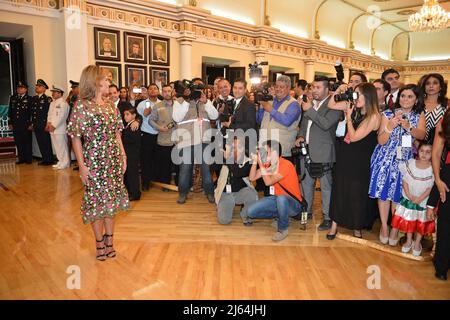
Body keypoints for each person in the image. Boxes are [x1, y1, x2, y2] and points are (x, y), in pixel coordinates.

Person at [67, 65, 129, 261]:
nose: (109, 82)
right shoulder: (81, 105)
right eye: (106, 79)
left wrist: (123, 156)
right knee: (96, 204)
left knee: (111, 202)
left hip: (113, 158)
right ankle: (99, 243)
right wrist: (82, 165)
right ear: (95, 81)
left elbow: (117, 133)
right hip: (93, 160)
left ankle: (110, 241)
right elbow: (76, 137)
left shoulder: (111, 105)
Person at [369, 84, 426, 244]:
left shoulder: (418, 114)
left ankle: (395, 227)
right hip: (385, 158)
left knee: (398, 195)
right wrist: (389, 126)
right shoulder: (387, 113)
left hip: (405, 161)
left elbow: (421, 135)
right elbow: (380, 140)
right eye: (403, 96)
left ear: (416, 100)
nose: (405, 99)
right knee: (383, 193)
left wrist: (409, 127)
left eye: (410, 97)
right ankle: (384, 227)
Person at [326, 83, 381, 240]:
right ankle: (334, 225)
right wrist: (339, 90)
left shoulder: (374, 116)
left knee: (357, 193)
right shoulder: (353, 106)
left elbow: (355, 137)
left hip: (360, 160)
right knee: (339, 189)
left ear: (368, 97)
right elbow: (331, 104)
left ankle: (357, 227)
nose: (355, 97)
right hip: (345, 154)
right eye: (355, 93)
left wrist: (349, 117)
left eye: (359, 94)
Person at [296, 76, 341, 231]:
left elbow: (326, 124)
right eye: (313, 87)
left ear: (327, 89)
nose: (314, 90)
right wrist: (301, 135)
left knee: (326, 187)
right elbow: (304, 124)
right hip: (306, 149)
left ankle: (328, 217)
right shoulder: (311, 104)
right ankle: (306, 211)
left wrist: (310, 109)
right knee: (306, 184)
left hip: (323, 151)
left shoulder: (334, 105)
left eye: (318, 87)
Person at [244, 140, 303, 241]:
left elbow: (268, 182)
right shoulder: (269, 165)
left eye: (267, 152)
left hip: (294, 204)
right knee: (250, 211)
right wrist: (255, 162)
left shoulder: (286, 165)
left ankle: (282, 229)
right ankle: (281, 215)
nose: (263, 154)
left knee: (281, 199)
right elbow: (252, 178)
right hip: (277, 200)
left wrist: (260, 162)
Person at [172, 81, 218, 204]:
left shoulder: (207, 102)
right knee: (185, 169)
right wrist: (187, 101)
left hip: (204, 140)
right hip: (186, 140)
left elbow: (214, 116)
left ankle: (209, 192)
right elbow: (176, 118)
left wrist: (206, 102)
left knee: (206, 169)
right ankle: (182, 193)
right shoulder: (180, 102)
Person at [388, 142, 434, 255]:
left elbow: (430, 188)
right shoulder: (411, 163)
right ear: (418, 151)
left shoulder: (433, 169)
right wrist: (409, 195)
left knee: (420, 223)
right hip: (409, 199)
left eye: (428, 152)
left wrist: (420, 199)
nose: (424, 154)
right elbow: (405, 180)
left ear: (433, 153)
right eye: (422, 151)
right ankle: (409, 240)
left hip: (423, 201)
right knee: (409, 221)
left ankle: (417, 242)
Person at [426, 110, 450, 280]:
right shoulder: (446, 119)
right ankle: (441, 265)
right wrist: (438, 179)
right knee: (446, 222)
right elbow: (436, 152)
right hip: (448, 177)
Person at [257, 75, 302, 162]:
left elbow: (287, 121)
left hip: (282, 151)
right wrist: (262, 107)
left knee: (279, 175)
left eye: (281, 87)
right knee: (264, 175)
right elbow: (259, 120)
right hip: (265, 148)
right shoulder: (269, 101)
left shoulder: (293, 104)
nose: (278, 89)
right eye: (276, 86)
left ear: (288, 88)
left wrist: (270, 109)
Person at [214, 138, 258, 225]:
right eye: (232, 147)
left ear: (242, 149)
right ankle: (224, 205)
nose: (232, 149)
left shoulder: (248, 161)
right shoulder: (225, 157)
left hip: (241, 193)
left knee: (252, 194)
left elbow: (238, 172)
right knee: (224, 221)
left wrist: (228, 159)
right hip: (225, 193)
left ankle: (245, 214)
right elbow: (214, 169)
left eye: (235, 147)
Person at [149, 84, 179, 186]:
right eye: (165, 91)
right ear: (162, 92)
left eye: (169, 91)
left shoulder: (178, 105)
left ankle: (179, 184)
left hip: (178, 141)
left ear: (172, 91)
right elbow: (151, 120)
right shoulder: (158, 106)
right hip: (164, 140)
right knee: (165, 166)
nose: (167, 93)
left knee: (178, 165)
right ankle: (166, 185)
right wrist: (159, 128)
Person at [136, 84, 161, 191]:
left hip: (160, 134)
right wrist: (148, 110)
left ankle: (156, 180)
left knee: (157, 159)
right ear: (147, 92)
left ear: (158, 91)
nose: (153, 90)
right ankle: (145, 182)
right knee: (146, 160)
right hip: (146, 135)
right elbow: (142, 116)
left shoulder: (161, 103)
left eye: (155, 88)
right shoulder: (144, 103)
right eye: (150, 89)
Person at [419, 73, 448, 144]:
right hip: (417, 147)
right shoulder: (417, 104)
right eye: (427, 83)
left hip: (441, 146)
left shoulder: (447, 105)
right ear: (424, 87)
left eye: (435, 83)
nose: (431, 86)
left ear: (440, 87)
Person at [30, 79, 54, 165]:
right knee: (40, 142)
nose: (37, 87)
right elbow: (33, 113)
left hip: (44, 124)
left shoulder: (47, 99)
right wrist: (32, 123)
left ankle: (49, 159)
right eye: (36, 86)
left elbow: (49, 113)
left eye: (39, 86)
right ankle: (44, 159)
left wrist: (48, 123)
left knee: (46, 142)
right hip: (36, 124)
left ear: (44, 89)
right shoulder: (34, 99)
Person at [46, 85, 70, 170]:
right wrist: (48, 123)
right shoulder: (52, 103)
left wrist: (54, 125)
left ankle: (65, 163)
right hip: (52, 128)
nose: (52, 94)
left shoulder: (63, 103)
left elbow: (62, 117)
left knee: (62, 146)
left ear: (60, 93)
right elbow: (49, 114)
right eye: (52, 92)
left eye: (54, 92)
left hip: (59, 129)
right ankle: (60, 161)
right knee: (56, 147)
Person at [8, 81, 32, 164]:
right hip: (16, 124)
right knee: (18, 141)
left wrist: (31, 124)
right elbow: (10, 111)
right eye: (18, 88)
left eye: (21, 88)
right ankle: (21, 158)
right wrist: (10, 123)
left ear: (26, 89)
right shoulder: (13, 98)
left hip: (25, 124)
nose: (19, 89)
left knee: (27, 141)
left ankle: (28, 159)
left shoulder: (29, 99)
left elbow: (31, 113)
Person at [122, 105, 142, 201]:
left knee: (132, 174)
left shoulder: (133, 126)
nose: (125, 116)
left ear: (134, 115)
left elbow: (134, 141)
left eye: (127, 114)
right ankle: (131, 192)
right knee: (129, 173)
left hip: (132, 154)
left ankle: (135, 194)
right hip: (129, 153)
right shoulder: (129, 125)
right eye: (124, 114)